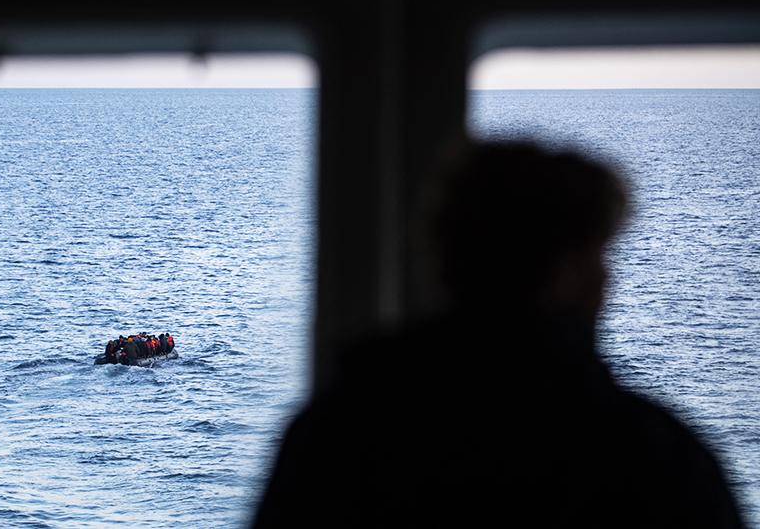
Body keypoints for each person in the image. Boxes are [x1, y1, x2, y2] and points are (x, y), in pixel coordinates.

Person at [252, 142, 745, 528]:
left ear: (444, 262)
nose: (607, 279)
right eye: (598, 255)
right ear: (566, 271)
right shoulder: (654, 459)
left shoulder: (334, 440)